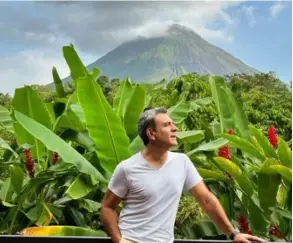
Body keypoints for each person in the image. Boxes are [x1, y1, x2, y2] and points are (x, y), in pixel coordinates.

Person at [101, 107, 265, 243]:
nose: (175, 128)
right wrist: (119, 241)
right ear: (151, 133)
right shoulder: (127, 168)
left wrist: (234, 234)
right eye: (167, 125)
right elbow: (108, 207)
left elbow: (206, 200)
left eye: (173, 123)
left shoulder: (182, 162)